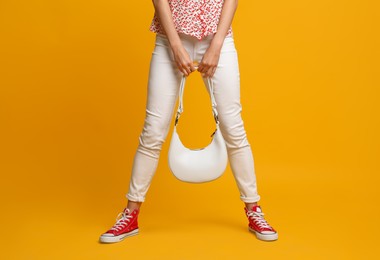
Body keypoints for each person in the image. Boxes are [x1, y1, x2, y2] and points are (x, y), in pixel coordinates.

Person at [99, 0, 278, 243]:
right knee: (153, 130)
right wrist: (174, 44)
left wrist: (216, 45)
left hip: (218, 39)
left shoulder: (218, 43)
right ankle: (130, 215)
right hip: (170, 39)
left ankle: (254, 209)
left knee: (233, 128)